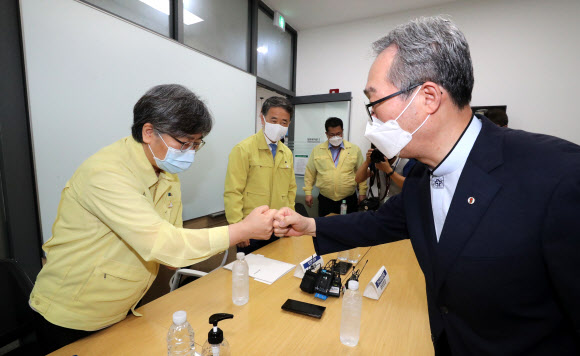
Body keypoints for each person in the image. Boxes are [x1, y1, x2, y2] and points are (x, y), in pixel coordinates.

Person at [272, 16, 580, 355]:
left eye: (373, 104)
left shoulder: (558, 175)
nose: (371, 121)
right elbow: (379, 223)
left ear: (428, 97)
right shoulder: (421, 176)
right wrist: (309, 224)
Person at [29, 84, 276, 354]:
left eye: (197, 143)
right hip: (74, 314)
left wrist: (176, 257)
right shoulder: (106, 174)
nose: (191, 152)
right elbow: (165, 243)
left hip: (123, 308)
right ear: (149, 132)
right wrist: (242, 230)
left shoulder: (166, 172)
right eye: (184, 143)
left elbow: (171, 233)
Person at [224, 96, 297, 254]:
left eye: (284, 122)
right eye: (274, 120)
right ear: (262, 118)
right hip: (251, 229)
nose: (279, 126)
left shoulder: (287, 153)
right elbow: (233, 191)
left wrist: (289, 220)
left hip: (279, 226)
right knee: (251, 274)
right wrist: (238, 227)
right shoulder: (244, 149)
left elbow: (291, 190)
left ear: (289, 124)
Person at [303, 117, 367, 216]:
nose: (336, 137)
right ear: (326, 134)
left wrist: (362, 193)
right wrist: (308, 192)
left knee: (348, 227)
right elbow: (310, 173)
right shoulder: (317, 150)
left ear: (342, 132)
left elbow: (362, 172)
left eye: (339, 134)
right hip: (326, 199)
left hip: (348, 199)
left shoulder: (354, 149)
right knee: (325, 228)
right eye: (332, 134)